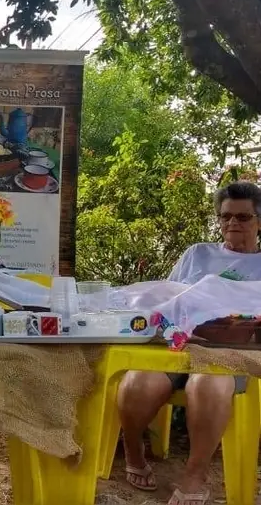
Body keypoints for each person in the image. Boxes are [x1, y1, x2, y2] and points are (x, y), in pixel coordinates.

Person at [118, 180, 261, 505]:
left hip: (229, 353)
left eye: (242, 217)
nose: (232, 224)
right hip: (179, 344)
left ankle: (196, 473)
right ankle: (133, 448)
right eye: (225, 217)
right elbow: (168, 298)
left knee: (208, 385)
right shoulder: (198, 254)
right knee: (139, 382)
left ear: (259, 222)